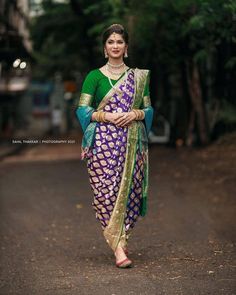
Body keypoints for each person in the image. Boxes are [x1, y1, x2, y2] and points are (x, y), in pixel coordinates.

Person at [75, 24, 153, 268]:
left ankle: (120, 242)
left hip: (132, 142)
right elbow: (82, 110)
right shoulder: (94, 77)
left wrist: (135, 114)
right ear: (104, 47)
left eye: (120, 42)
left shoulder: (138, 78)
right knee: (105, 193)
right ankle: (118, 246)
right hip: (102, 144)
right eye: (111, 42)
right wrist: (106, 117)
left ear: (126, 47)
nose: (115, 46)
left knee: (129, 193)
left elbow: (149, 109)